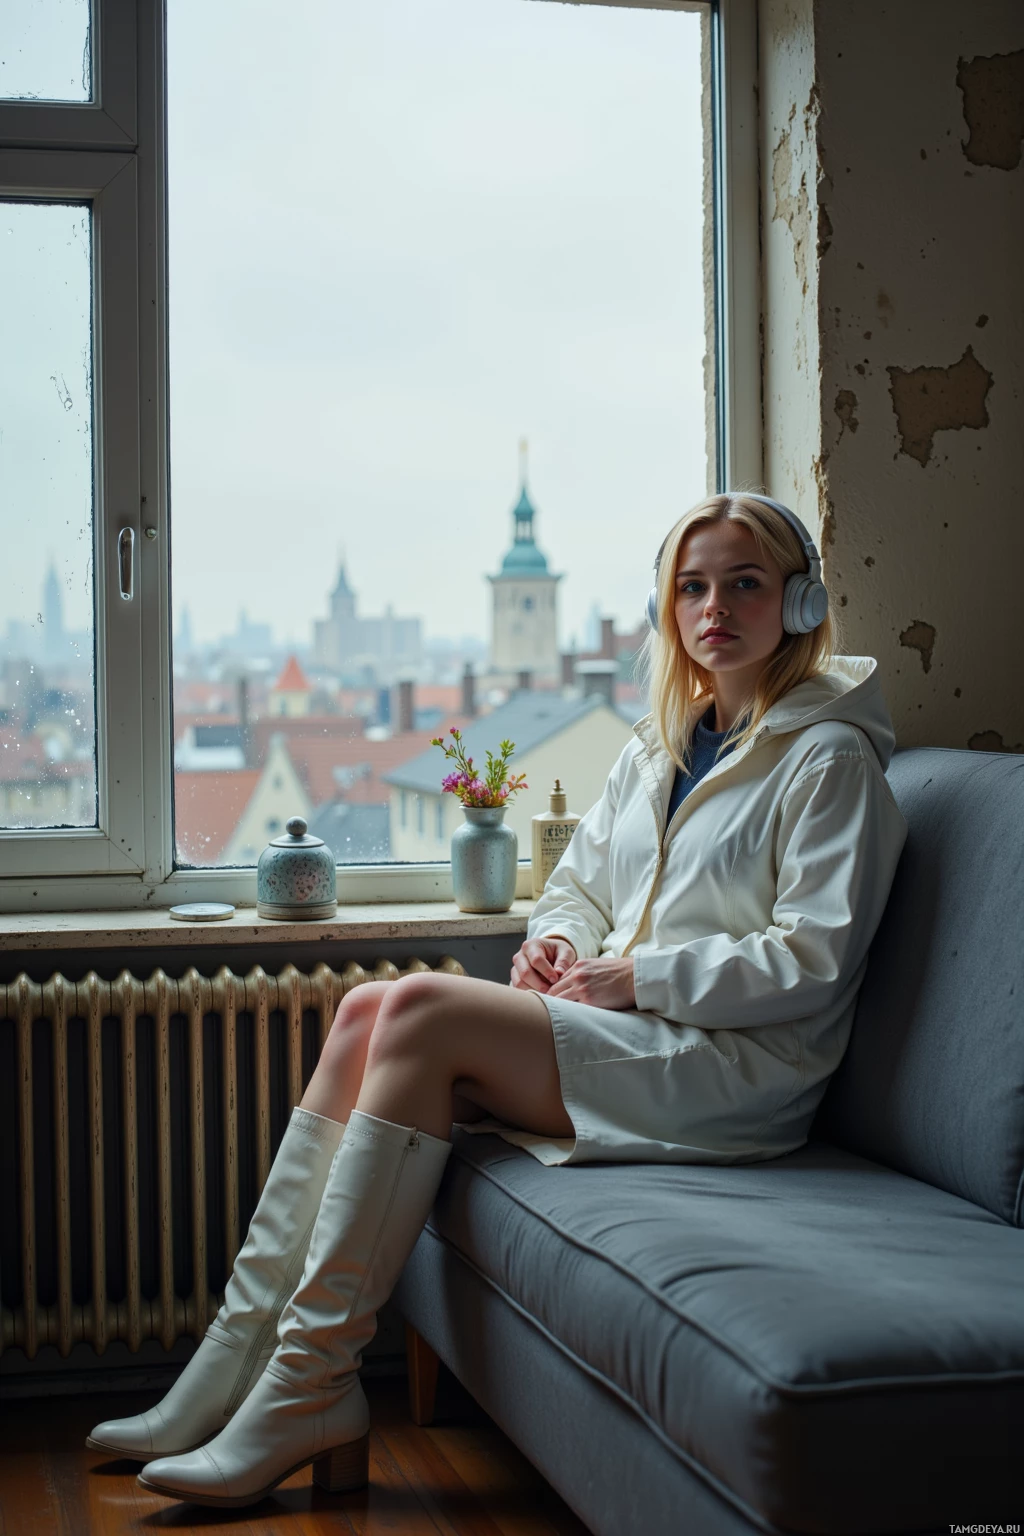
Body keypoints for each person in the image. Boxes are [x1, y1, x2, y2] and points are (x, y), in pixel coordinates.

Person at [88, 491, 908, 1509]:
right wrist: (557, 942)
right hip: (641, 1031)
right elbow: (581, 886)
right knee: (363, 1014)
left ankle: (309, 1382)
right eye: (692, 586)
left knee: (421, 1009)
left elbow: (816, 957)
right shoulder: (661, 743)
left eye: (744, 582)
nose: (714, 607)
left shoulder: (830, 758)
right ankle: (234, 1363)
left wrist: (636, 976)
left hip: (738, 1070)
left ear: (799, 601)